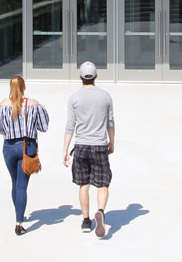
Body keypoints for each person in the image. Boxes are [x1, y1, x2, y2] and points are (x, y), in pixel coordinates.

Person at [62, 61, 115, 238]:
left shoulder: (74, 98)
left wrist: (65, 149)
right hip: (100, 145)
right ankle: (100, 210)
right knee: (103, 184)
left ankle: (86, 220)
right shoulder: (105, 96)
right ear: (96, 77)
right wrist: (111, 142)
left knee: (83, 184)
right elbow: (110, 123)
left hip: (81, 146)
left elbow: (70, 125)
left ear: (80, 77)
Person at [0, 75, 49, 236]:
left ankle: (19, 212)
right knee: (22, 186)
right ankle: (19, 223)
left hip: (8, 147)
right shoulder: (34, 105)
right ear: (24, 87)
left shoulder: (2, 105)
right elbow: (44, 127)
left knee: (15, 182)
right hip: (27, 147)